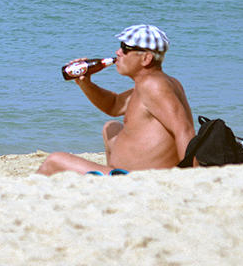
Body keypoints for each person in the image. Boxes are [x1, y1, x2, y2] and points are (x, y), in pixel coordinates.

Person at [37, 24, 196, 176]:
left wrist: (189, 176)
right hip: (131, 174)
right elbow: (113, 105)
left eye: (125, 49)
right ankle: (109, 174)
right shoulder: (155, 82)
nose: (118, 52)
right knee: (111, 128)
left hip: (141, 180)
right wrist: (85, 83)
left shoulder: (153, 85)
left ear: (146, 58)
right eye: (121, 46)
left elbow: (184, 129)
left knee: (54, 161)